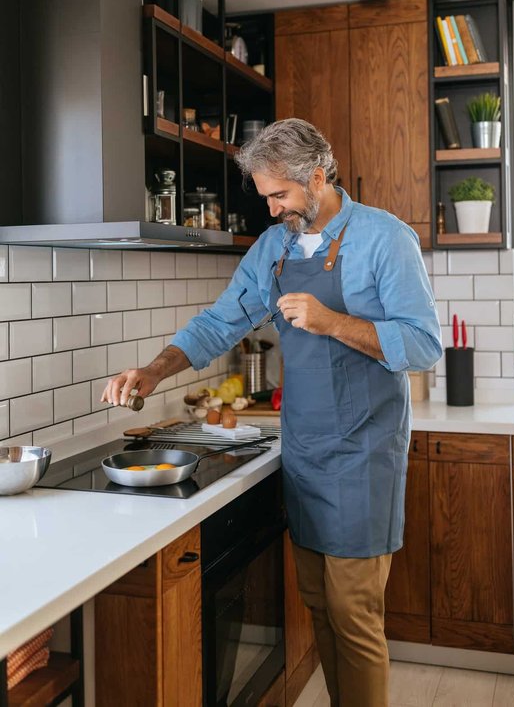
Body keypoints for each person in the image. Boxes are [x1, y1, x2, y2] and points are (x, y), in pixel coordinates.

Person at [102, 118, 442, 707]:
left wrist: (332, 320)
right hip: (305, 450)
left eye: (279, 196)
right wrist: (154, 370)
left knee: (354, 617)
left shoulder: (386, 239)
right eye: (265, 198)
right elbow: (218, 322)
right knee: (320, 608)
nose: (272, 210)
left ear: (316, 177)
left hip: (364, 454)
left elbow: (423, 344)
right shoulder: (275, 248)